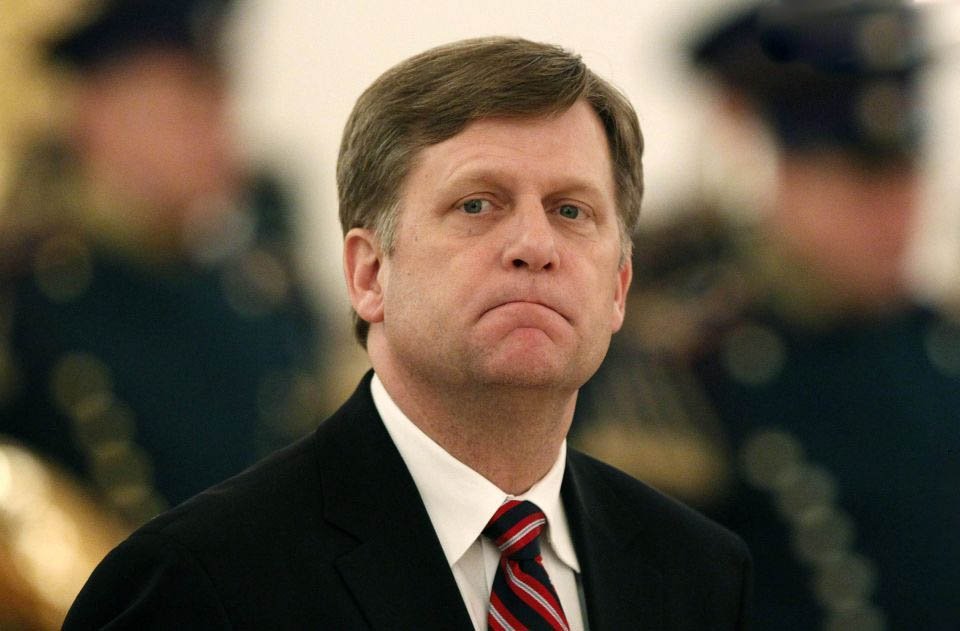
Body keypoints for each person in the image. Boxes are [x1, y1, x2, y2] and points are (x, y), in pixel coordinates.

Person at [63, 36, 752, 630]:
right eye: (478, 204)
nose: (535, 245)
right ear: (368, 274)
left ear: (618, 288)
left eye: (571, 211)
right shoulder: (198, 583)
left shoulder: (698, 572)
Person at [575, 2, 960, 629]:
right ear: (786, 177)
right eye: (857, 183)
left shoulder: (941, 344)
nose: (895, 214)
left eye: (905, 177)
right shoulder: (688, 364)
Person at [0, 0, 330, 528]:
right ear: (95, 117)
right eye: (182, 110)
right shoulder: (26, 295)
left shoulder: (264, 295)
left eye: (217, 104)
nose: (217, 134)